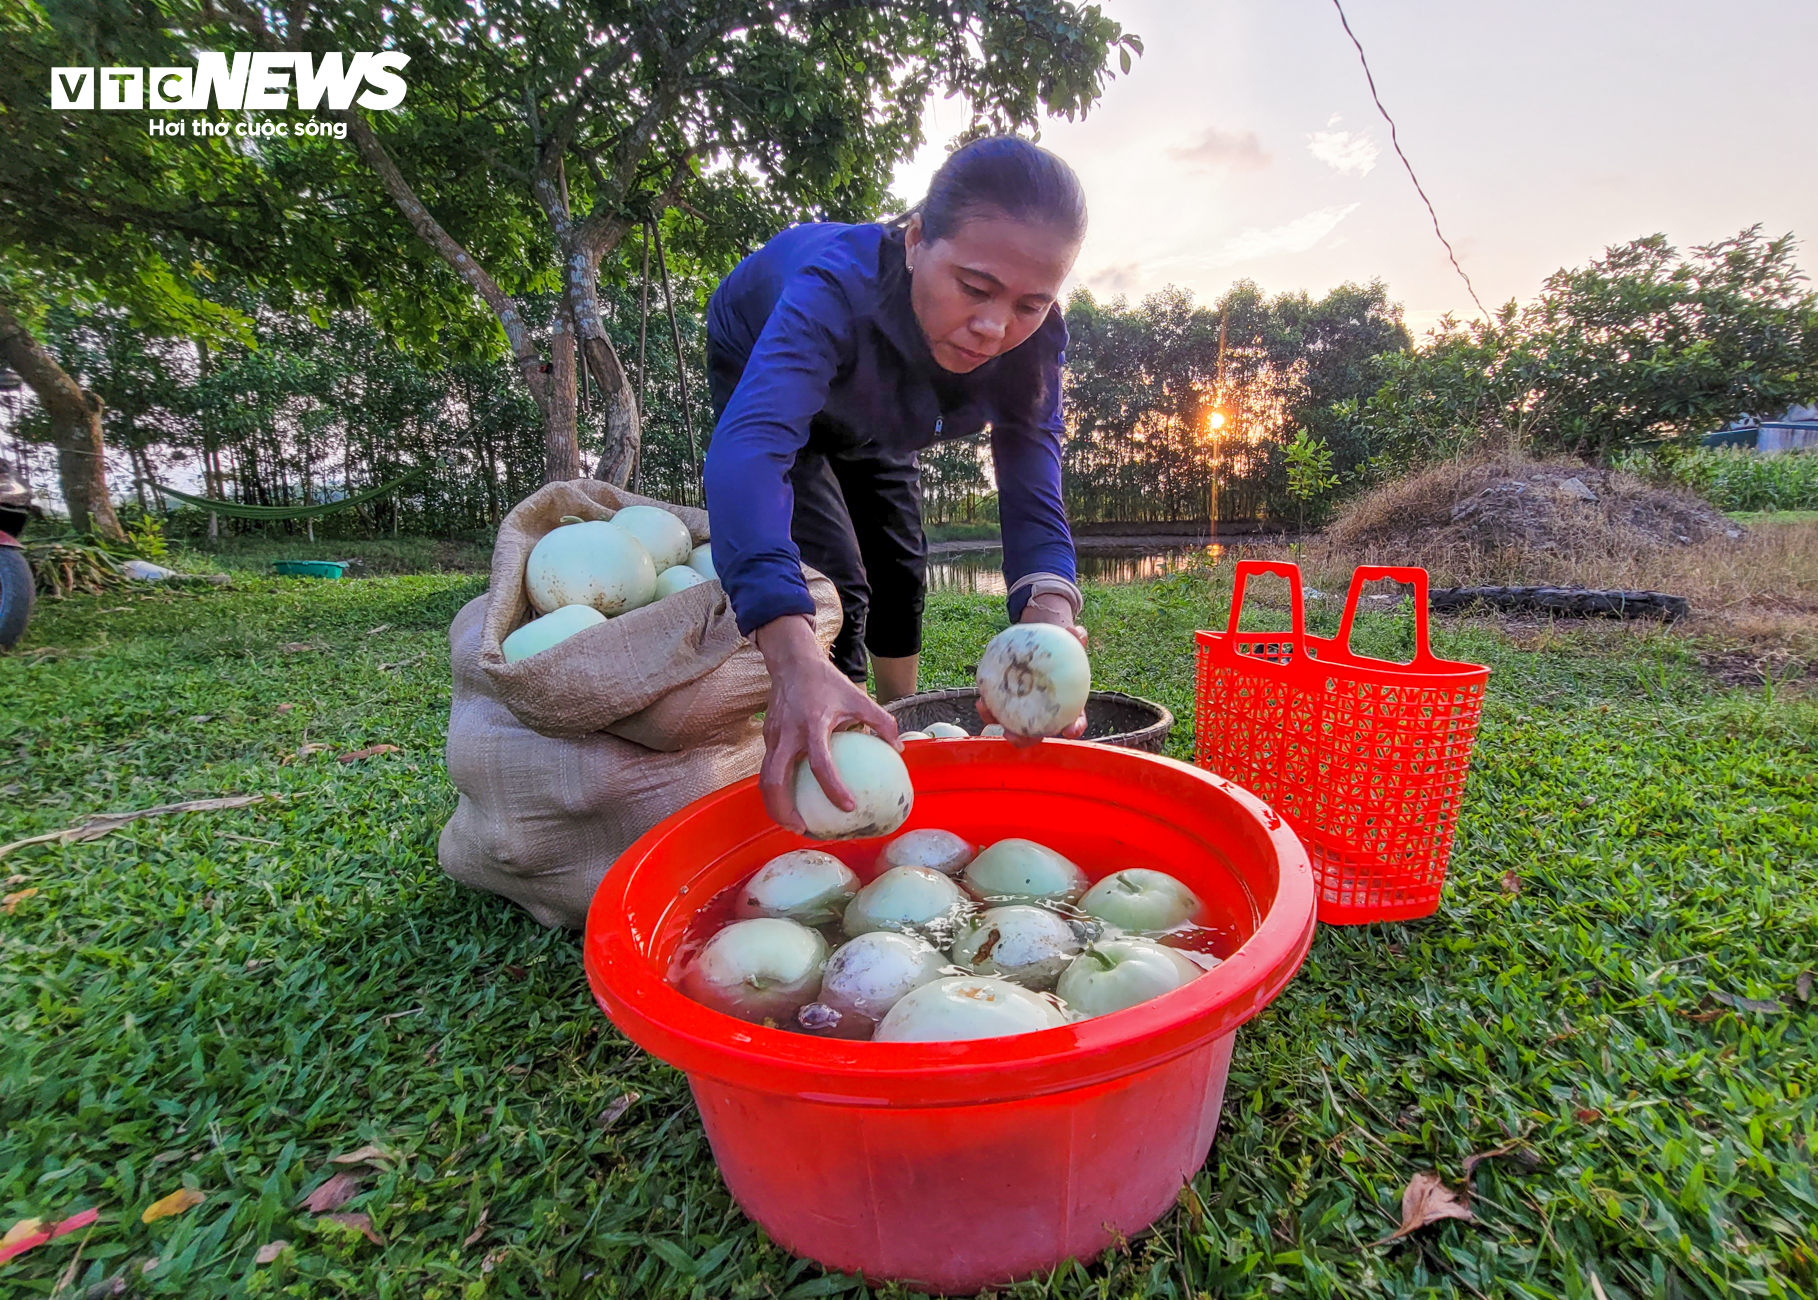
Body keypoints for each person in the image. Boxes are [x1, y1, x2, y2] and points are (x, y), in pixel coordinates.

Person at [703, 136, 1089, 833]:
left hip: (888, 402)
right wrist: (789, 659)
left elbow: (1033, 477)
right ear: (915, 240)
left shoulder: (1027, 342)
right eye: (974, 288)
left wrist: (1051, 620)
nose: (993, 328)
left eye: (1030, 303)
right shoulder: (830, 292)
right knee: (835, 587)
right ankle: (836, 751)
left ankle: (898, 729)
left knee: (901, 570)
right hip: (776, 369)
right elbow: (752, 450)